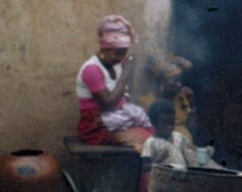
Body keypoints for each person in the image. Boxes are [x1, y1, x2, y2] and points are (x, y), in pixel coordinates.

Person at [75, 15, 154, 153]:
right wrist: (127, 72)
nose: (120, 58)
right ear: (105, 49)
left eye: (123, 54)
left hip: (118, 120)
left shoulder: (117, 64)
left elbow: (125, 94)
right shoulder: (92, 69)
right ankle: (146, 174)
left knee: (153, 134)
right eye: (118, 53)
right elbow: (108, 103)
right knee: (149, 142)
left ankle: (144, 172)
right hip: (97, 127)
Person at [142, 99, 199, 169]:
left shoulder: (179, 137)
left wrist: (200, 151)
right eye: (165, 124)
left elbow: (191, 151)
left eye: (171, 124)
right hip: (163, 178)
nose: (169, 128)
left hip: (182, 177)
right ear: (154, 123)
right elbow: (145, 167)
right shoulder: (151, 142)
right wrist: (157, 160)